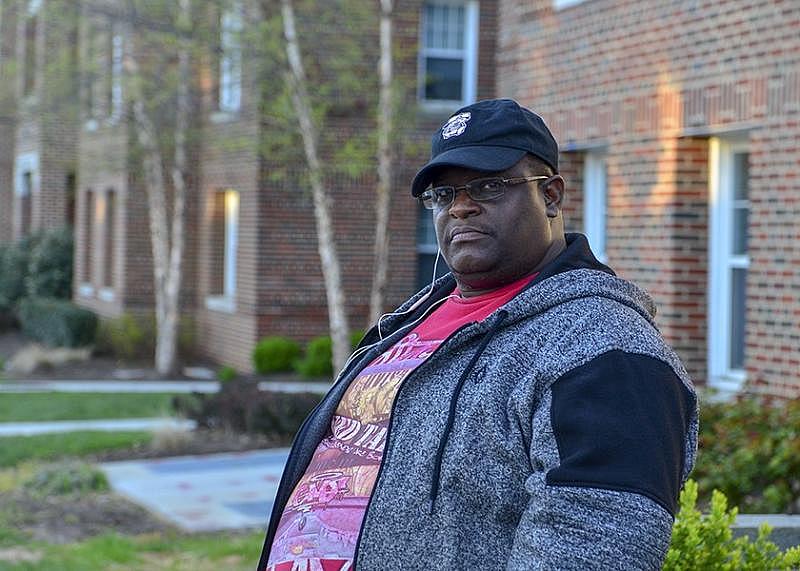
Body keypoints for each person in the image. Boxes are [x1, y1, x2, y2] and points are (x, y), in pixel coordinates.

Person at [257, 98, 698, 571]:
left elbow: (593, 546)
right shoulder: (413, 319)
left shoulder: (607, 351)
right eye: (444, 195)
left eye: (488, 187)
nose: (461, 208)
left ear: (551, 195)